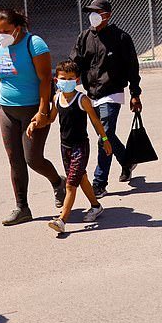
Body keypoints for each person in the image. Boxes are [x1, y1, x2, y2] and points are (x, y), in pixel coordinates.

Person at [0, 8, 65, 225]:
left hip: (33, 110)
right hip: (7, 110)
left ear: (17, 28)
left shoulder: (34, 44)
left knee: (32, 159)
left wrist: (43, 112)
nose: (0, 35)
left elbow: (46, 80)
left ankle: (57, 182)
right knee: (15, 160)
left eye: (5, 30)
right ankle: (22, 207)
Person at [69, 0, 142, 198]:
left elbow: (132, 68)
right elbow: (74, 63)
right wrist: (63, 82)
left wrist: (135, 93)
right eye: (90, 12)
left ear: (107, 16)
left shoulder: (121, 38)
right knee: (106, 136)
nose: (91, 16)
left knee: (104, 137)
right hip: (90, 95)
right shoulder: (84, 37)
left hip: (112, 94)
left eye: (96, 12)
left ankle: (99, 182)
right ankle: (126, 160)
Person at [46, 61, 107, 235]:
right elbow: (50, 119)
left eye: (70, 78)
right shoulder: (56, 98)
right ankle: (96, 206)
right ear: (56, 79)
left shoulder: (82, 100)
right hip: (64, 147)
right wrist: (35, 122)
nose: (66, 81)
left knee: (71, 185)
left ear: (77, 80)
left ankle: (61, 220)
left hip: (80, 147)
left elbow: (95, 120)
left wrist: (105, 139)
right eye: (63, 78)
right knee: (82, 178)